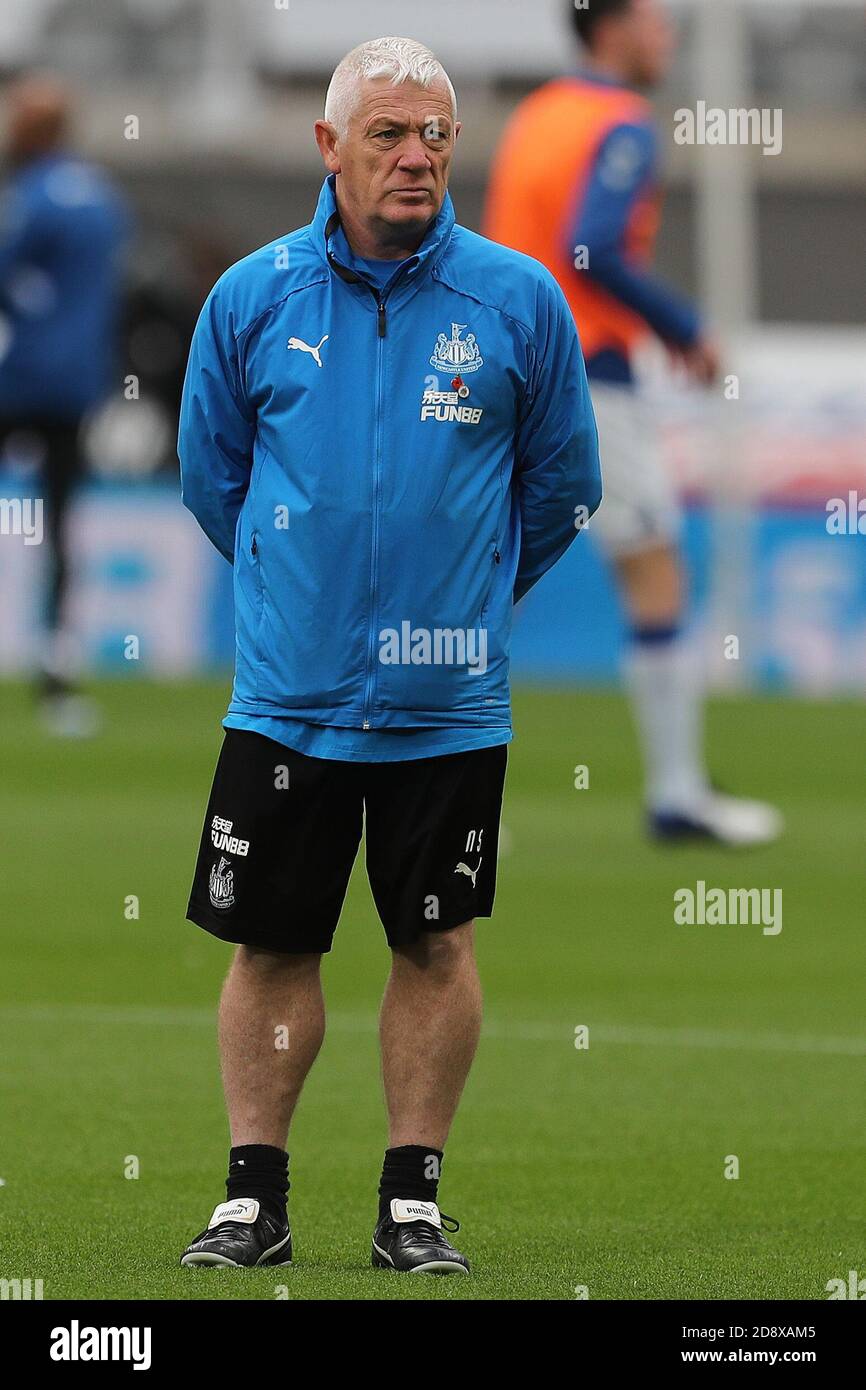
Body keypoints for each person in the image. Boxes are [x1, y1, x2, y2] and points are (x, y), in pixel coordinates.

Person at [177, 36, 601, 1274]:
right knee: (271, 944)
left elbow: (563, 485)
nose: (415, 157)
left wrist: (467, 597)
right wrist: (296, 594)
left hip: (447, 706)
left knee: (434, 940)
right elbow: (213, 479)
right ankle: (254, 1197)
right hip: (287, 701)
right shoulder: (251, 298)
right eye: (386, 134)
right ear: (328, 147)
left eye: (433, 137)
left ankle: (410, 1199)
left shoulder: (516, 301)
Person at [484, 0, 782, 845]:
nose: (669, 35)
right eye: (657, 19)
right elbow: (596, 247)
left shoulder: (536, 116)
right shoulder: (621, 123)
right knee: (654, 572)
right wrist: (687, 329)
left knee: (483, 582)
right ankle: (678, 793)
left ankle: (450, 797)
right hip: (588, 380)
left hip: (506, 371)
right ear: (611, 28)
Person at [0, 75, 129, 735]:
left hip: (17, 377)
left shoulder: (28, 199)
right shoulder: (102, 198)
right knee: (60, 530)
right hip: (77, 385)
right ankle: (57, 677)